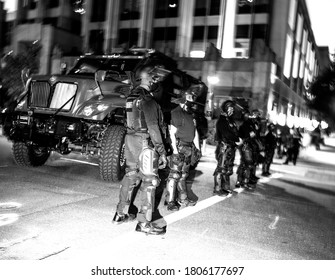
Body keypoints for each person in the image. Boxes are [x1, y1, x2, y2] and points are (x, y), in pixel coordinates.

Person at [112, 65, 169, 235]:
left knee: (130, 176)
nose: (154, 82)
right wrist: (162, 151)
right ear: (147, 79)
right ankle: (144, 223)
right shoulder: (148, 99)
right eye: (153, 79)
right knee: (150, 181)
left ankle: (120, 214)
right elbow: (153, 127)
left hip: (131, 140)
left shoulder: (131, 97)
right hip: (145, 142)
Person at [165, 92, 199, 211]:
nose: (192, 105)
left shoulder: (190, 115)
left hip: (189, 148)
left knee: (183, 175)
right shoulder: (177, 112)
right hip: (179, 147)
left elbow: (195, 133)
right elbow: (172, 133)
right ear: (184, 102)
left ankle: (183, 199)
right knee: (174, 175)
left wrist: (197, 148)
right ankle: (170, 201)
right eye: (190, 102)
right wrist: (174, 150)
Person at [213, 100, 241, 196]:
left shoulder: (230, 120)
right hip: (224, 147)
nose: (232, 111)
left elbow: (235, 132)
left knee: (228, 168)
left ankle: (226, 187)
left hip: (231, 147)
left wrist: (237, 138)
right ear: (226, 108)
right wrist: (237, 138)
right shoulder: (222, 120)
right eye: (230, 108)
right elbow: (227, 134)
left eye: (233, 109)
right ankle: (217, 188)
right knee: (221, 168)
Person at [236, 111, 258, 190]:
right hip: (246, 145)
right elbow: (249, 135)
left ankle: (240, 181)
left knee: (244, 163)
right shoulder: (246, 124)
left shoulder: (249, 124)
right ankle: (243, 181)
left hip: (246, 145)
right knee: (247, 163)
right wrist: (253, 132)